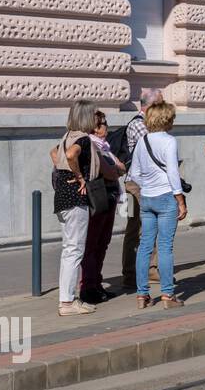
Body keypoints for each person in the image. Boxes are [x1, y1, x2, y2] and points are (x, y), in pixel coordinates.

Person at [128, 101, 189, 308]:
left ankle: (141, 294)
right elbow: (173, 172)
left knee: (145, 245)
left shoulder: (142, 141)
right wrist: (180, 199)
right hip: (165, 197)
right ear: (167, 119)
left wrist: (148, 185)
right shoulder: (169, 141)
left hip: (146, 197)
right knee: (164, 247)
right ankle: (167, 295)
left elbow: (134, 172)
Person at [50, 99, 102, 316]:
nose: (97, 120)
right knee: (74, 249)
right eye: (94, 115)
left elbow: (54, 153)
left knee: (68, 249)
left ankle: (67, 298)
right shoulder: (81, 138)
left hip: (62, 196)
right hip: (75, 198)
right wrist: (79, 176)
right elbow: (71, 155)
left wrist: (64, 172)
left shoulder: (66, 136)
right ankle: (68, 302)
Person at [78, 111, 126, 303]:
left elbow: (121, 167)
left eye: (105, 123)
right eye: (102, 124)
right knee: (92, 244)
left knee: (102, 243)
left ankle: (96, 283)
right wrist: (114, 170)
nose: (106, 127)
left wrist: (114, 170)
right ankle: (88, 287)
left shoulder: (104, 146)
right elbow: (113, 171)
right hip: (97, 197)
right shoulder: (89, 144)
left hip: (110, 196)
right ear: (94, 128)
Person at [121, 88, 164, 293]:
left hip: (148, 183)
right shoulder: (138, 125)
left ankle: (151, 268)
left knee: (150, 226)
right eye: (159, 105)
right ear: (147, 106)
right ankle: (130, 272)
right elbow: (155, 148)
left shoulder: (151, 125)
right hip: (135, 185)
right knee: (134, 227)